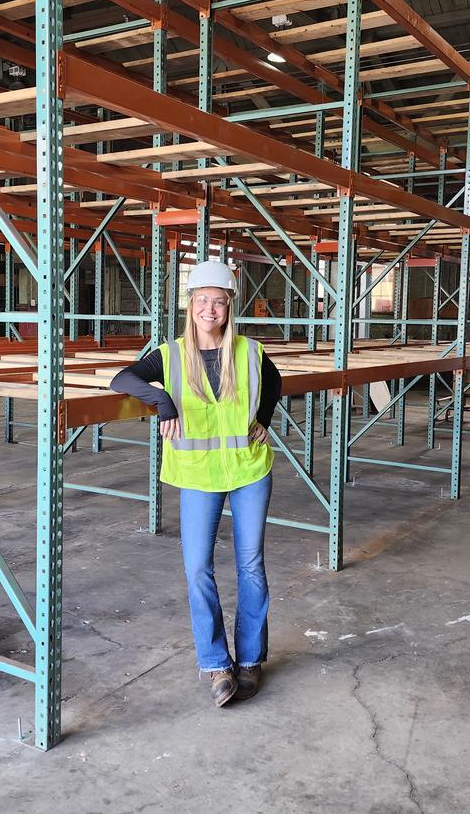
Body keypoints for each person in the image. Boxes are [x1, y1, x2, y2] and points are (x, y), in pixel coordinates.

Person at [111, 259, 282, 707]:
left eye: (219, 302)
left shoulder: (250, 351)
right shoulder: (169, 355)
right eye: (202, 301)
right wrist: (162, 400)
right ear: (190, 305)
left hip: (248, 468)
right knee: (197, 568)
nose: (210, 309)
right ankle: (215, 663)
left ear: (229, 307)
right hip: (198, 474)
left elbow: (275, 382)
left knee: (250, 566)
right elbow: (121, 379)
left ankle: (249, 661)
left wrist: (263, 418)